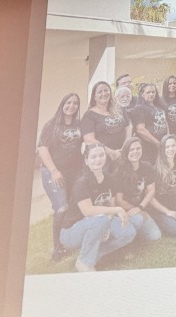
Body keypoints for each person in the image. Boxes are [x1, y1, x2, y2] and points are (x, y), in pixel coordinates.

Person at [59, 143, 137, 272]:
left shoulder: (109, 179)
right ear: (86, 160)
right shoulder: (82, 183)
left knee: (128, 232)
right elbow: (88, 211)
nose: (98, 159)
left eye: (101, 155)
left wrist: (107, 223)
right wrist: (116, 211)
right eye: (93, 157)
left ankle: (95, 255)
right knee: (101, 219)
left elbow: (110, 204)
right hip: (71, 232)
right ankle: (84, 262)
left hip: (99, 222)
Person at [36, 92, 82, 262]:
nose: (71, 106)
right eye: (68, 103)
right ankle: (57, 249)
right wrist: (54, 170)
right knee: (61, 207)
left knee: (71, 206)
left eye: (75, 103)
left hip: (73, 172)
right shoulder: (52, 125)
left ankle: (69, 240)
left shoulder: (79, 124)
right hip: (53, 172)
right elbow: (42, 149)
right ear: (62, 104)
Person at [114, 137, 163, 242]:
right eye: (131, 149)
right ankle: (128, 231)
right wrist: (136, 209)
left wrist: (141, 207)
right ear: (126, 152)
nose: (135, 152)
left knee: (155, 236)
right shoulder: (119, 171)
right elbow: (119, 200)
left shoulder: (147, 166)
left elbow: (151, 190)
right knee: (138, 221)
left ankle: (135, 231)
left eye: (138, 148)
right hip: (125, 210)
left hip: (140, 207)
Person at [81, 81, 132, 165]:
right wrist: (112, 153)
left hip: (123, 155)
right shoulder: (89, 115)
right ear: (94, 96)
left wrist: (125, 148)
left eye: (106, 90)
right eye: (100, 92)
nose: (104, 93)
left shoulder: (120, 109)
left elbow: (128, 128)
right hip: (102, 159)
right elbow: (89, 140)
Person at [131, 82, 169, 161]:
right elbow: (140, 130)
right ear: (142, 94)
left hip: (163, 144)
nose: (151, 94)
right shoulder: (139, 108)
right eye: (148, 92)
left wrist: (168, 137)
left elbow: (165, 123)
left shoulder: (159, 107)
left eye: (153, 92)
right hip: (149, 146)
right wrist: (157, 142)